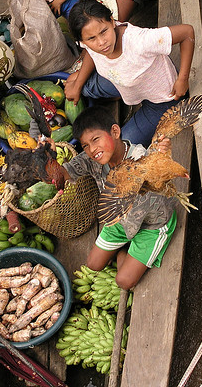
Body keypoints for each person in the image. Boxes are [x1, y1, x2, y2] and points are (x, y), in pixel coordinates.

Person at [58, 106, 177, 289]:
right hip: (121, 221)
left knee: (124, 281)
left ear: (115, 131)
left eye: (96, 139)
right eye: (85, 145)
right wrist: (46, 157)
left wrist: (160, 155)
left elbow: (155, 171)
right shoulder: (92, 161)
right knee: (93, 264)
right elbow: (62, 175)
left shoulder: (140, 158)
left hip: (152, 223)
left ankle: (126, 252)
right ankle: (125, 250)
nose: (92, 149)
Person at [64, 0, 193, 147]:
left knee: (120, 145)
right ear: (82, 42)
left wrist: (183, 79)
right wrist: (78, 84)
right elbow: (91, 53)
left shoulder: (139, 41)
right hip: (124, 82)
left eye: (104, 32)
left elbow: (187, 32)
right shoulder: (93, 43)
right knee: (82, 86)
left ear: (112, 22)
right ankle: (119, 95)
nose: (101, 42)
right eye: (91, 39)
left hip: (162, 100)